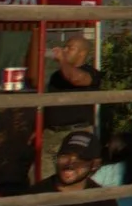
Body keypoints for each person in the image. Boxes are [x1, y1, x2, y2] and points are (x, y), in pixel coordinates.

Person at [39, 31, 101, 173]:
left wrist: (62, 59)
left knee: (71, 174)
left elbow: (76, 79)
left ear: (82, 53)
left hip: (75, 133)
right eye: (64, 47)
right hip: (51, 134)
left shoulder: (91, 73)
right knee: (43, 176)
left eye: (70, 48)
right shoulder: (57, 75)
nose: (65, 50)